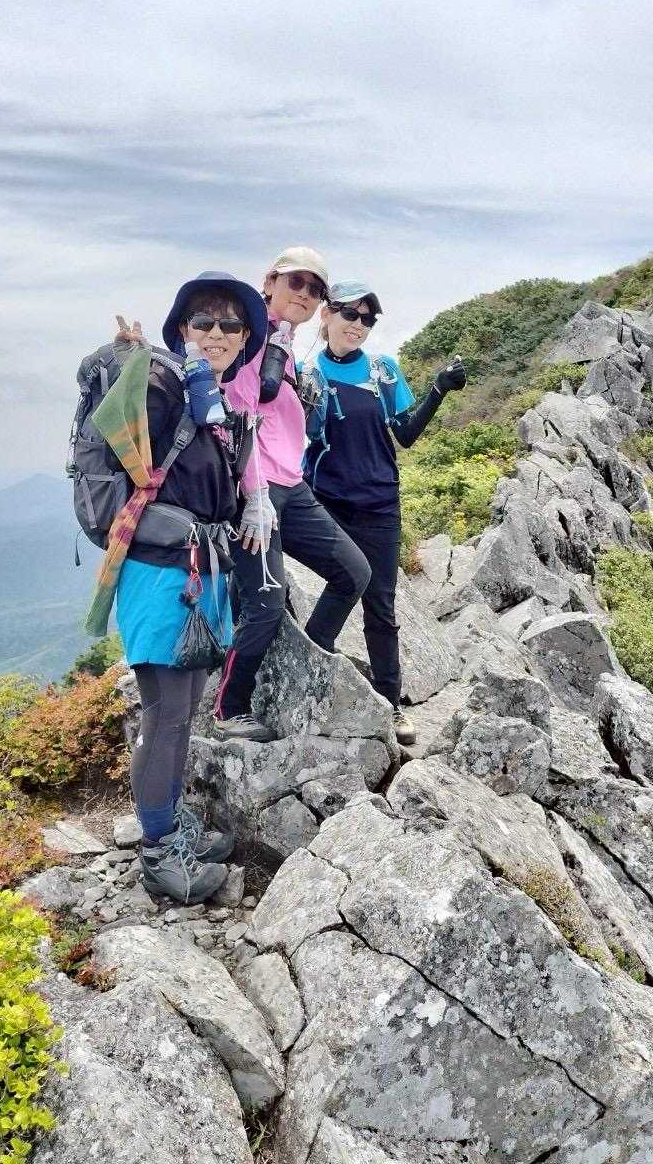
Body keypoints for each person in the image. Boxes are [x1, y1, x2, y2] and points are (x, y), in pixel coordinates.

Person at [108, 272, 269, 903]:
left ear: (246, 337)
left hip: (203, 574)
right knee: (167, 714)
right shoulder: (165, 385)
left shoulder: (217, 406)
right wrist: (131, 358)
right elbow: (123, 420)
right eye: (203, 321)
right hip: (159, 576)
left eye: (231, 324)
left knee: (186, 709)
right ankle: (158, 852)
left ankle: (172, 824)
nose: (217, 333)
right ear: (182, 330)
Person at [214, 247, 372, 739]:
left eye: (315, 289)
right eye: (295, 282)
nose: (304, 294)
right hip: (253, 491)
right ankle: (229, 708)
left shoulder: (282, 344)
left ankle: (312, 657)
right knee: (265, 600)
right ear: (270, 282)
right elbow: (237, 417)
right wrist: (255, 495)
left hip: (292, 485)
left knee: (354, 572)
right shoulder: (246, 336)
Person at [300, 280, 466, 743]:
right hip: (325, 503)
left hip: (378, 504)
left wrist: (439, 388)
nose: (358, 325)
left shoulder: (382, 371)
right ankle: (307, 673)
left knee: (380, 605)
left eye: (367, 319)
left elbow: (406, 433)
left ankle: (391, 704)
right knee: (342, 586)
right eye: (350, 314)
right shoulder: (305, 374)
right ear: (326, 315)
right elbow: (292, 433)